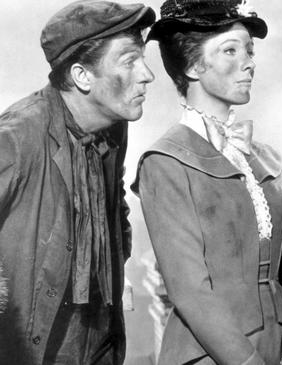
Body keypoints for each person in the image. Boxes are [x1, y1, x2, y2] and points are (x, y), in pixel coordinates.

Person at [131, 1, 282, 364]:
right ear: (193, 66)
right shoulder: (165, 162)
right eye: (230, 50)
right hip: (208, 356)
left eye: (250, 50)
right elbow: (190, 291)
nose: (249, 63)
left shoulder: (265, 158)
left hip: (281, 353)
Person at [0, 1, 155, 363]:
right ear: (82, 76)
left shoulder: (113, 124)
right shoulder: (17, 138)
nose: (147, 74)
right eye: (129, 61)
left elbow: (114, 209)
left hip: (98, 344)